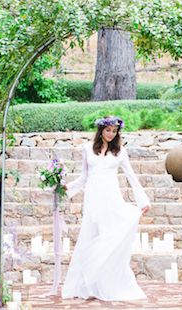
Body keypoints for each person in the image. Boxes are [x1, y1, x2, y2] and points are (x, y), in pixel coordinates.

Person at [61, 116, 151, 301]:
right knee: (91, 236)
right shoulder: (87, 149)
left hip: (112, 199)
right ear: (101, 130)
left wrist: (142, 200)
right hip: (93, 199)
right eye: (108, 130)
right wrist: (67, 188)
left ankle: (108, 283)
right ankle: (87, 285)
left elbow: (131, 176)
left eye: (114, 131)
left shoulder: (120, 152)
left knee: (109, 237)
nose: (111, 134)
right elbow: (84, 177)